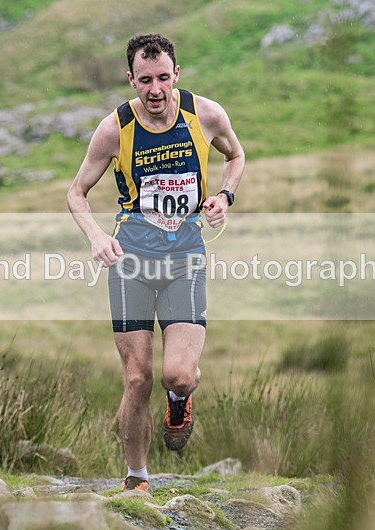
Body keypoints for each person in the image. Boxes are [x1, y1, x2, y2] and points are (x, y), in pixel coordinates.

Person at [66, 34, 245, 491]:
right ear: (131, 80)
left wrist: (225, 195)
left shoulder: (205, 114)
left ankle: (179, 399)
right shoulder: (114, 129)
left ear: (176, 75)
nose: (156, 90)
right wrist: (96, 236)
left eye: (163, 78)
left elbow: (236, 155)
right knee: (136, 377)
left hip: (185, 258)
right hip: (131, 262)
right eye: (145, 80)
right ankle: (136, 478)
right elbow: (76, 193)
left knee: (178, 375)